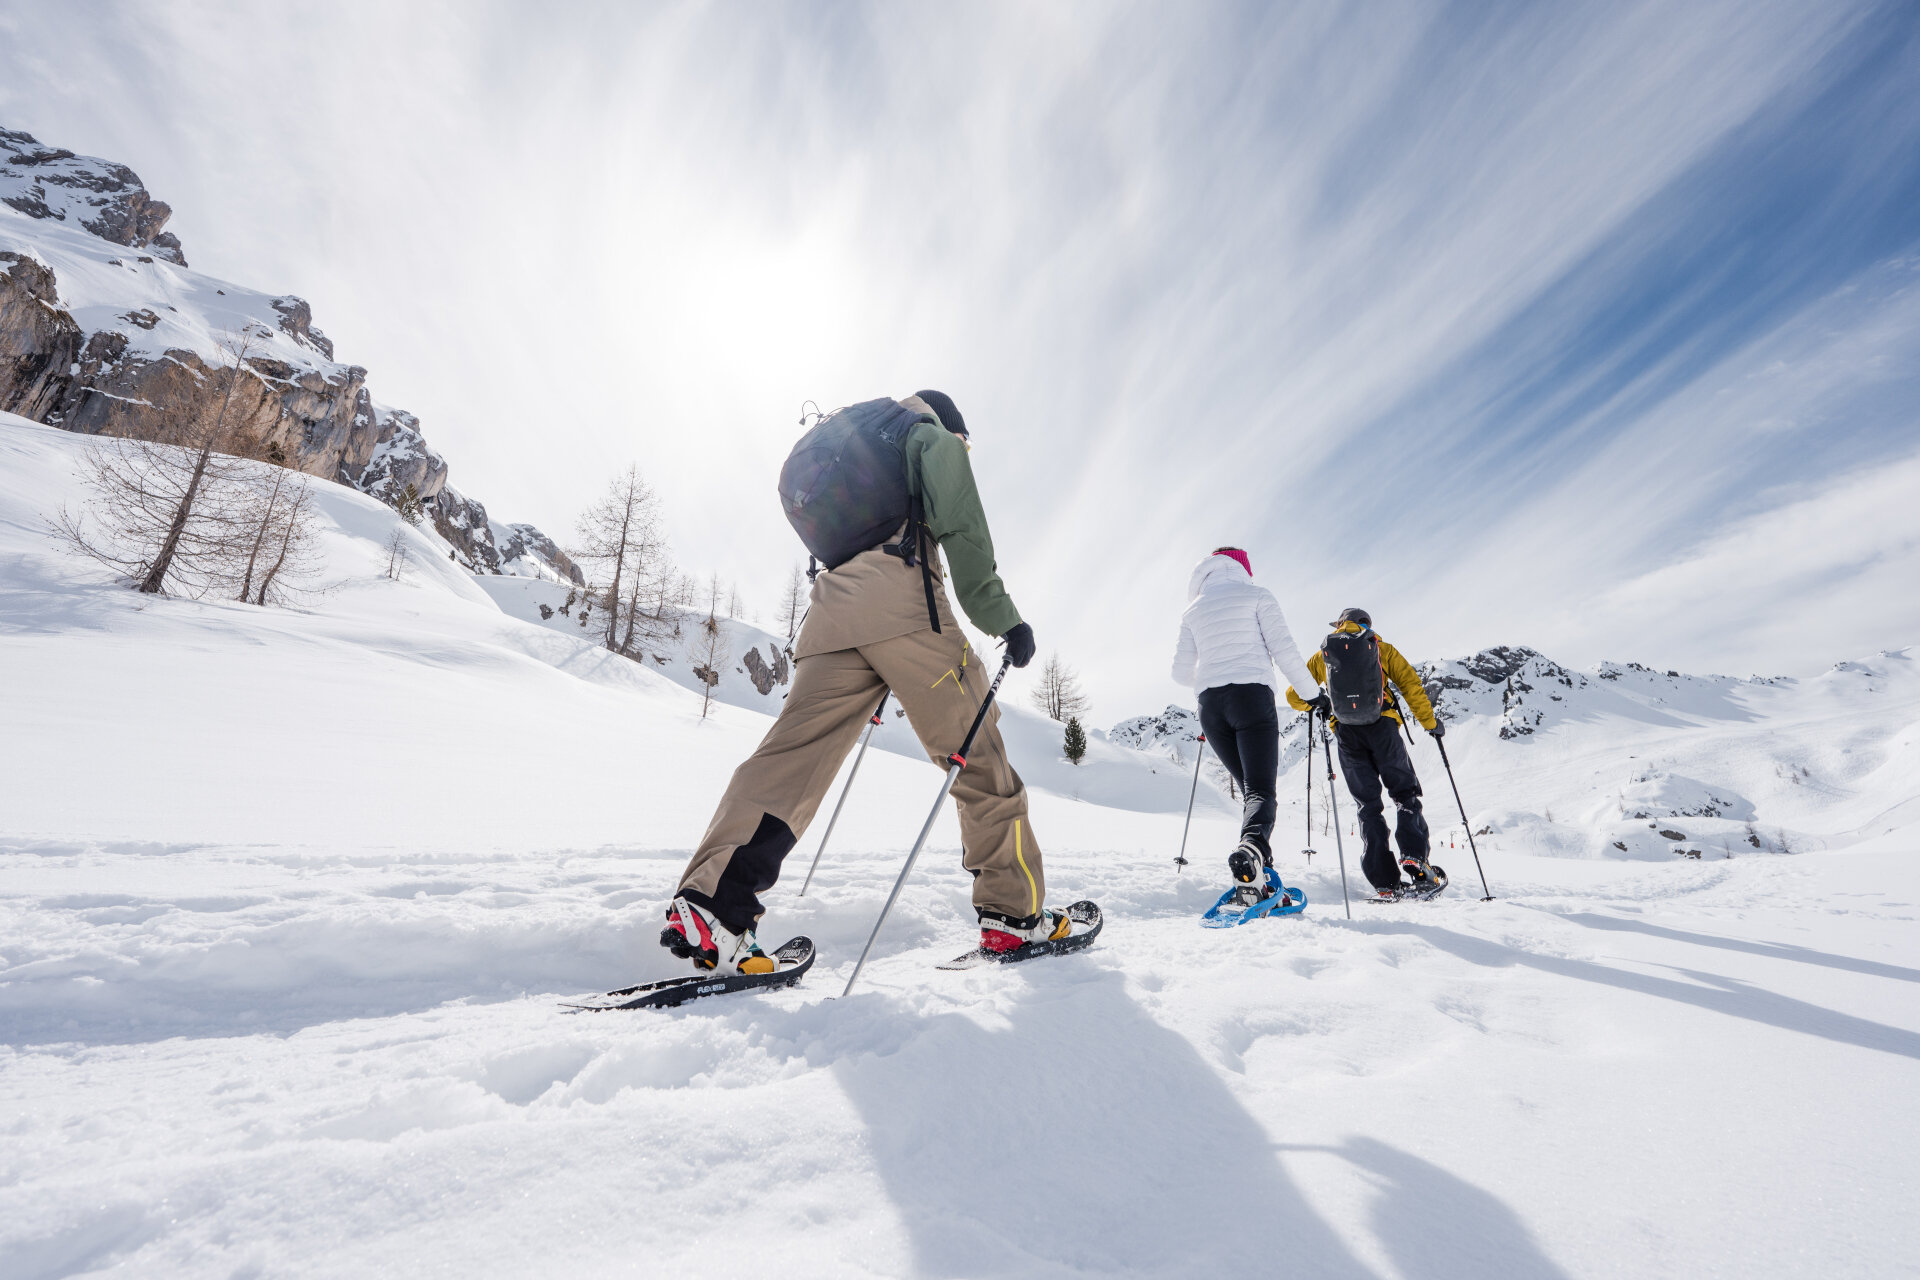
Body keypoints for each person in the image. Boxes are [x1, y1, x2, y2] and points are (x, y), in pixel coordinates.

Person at [662, 390, 1064, 972]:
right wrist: (1005, 620)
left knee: (789, 760)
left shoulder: (854, 441)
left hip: (828, 619)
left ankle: (712, 909)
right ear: (950, 425)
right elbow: (964, 534)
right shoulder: (930, 438)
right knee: (980, 763)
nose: (964, 449)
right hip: (904, 609)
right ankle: (1013, 917)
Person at [1171, 547, 1323, 895]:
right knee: (1260, 790)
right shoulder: (1257, 596)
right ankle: (1251, 849)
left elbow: (1180, 673)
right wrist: (1313, 694)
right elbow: (1284, 649)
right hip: (1251, 698)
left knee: (1249, 791)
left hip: (1210, 706)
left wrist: (1211, 672)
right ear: (1243, 570)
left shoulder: (1192, 611)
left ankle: (1259, 872)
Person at [1285, 608, 1444, 898]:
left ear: (1341, 624)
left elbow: (1293, 696)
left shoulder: (1325, 653)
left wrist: (1321, 704)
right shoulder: (1381, 648)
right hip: (1383, 727)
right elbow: (1411, 686)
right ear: (1367, 625)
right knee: (1404, 794)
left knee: (1368, 806)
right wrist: (1430, 724)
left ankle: (1384, 882)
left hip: (1347, 734)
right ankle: (1414, 857)